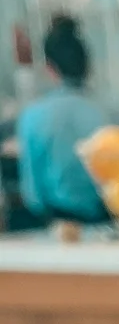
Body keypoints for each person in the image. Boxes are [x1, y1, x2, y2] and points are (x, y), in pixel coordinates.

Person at [16, 15, 109, 226]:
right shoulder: (113, 111)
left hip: (60, 226)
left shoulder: (34, 116)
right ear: (88, 65)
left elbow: (33, 195)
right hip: (112, 221)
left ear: (49, 67)